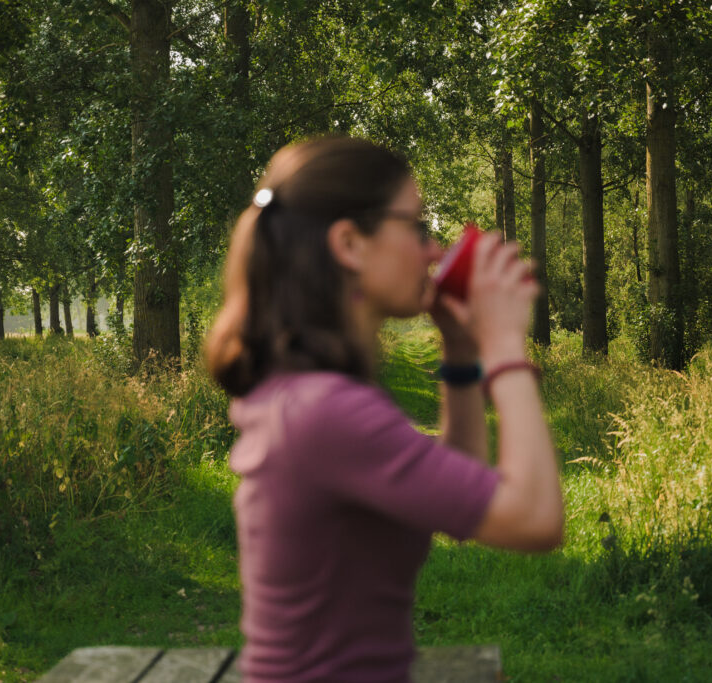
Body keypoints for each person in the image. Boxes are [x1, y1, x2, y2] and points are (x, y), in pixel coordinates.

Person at [206, 136, 563, 682]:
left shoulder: (306, 395)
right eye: (417, 227)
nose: (432, 249)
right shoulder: (326, 413)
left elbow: (458, 493)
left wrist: (462, 355)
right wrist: (505, 349)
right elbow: (535, 520)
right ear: (350, 244)